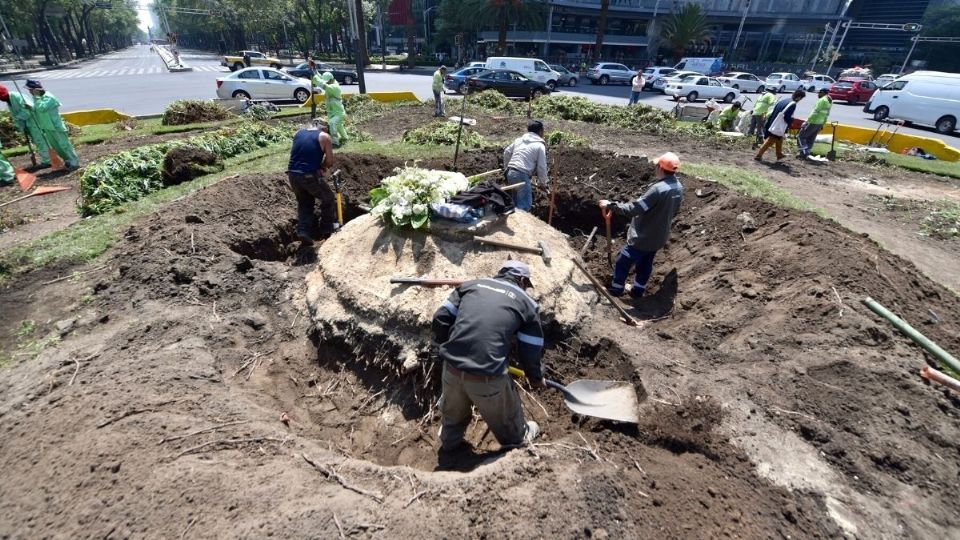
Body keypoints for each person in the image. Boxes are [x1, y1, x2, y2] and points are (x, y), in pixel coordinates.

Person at [432, 260, 544, 452]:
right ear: (523, 280)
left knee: (452, 416)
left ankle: (450, 443)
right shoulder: (527, 303)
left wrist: (442, 350)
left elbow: (440, 318)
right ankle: (518, 440)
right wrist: (535, 376)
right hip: (487, 377)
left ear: (500, 273)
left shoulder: (469, 286)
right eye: (526, 284)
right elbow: (530, 349)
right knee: (511, 430)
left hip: (451, 369)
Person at [599, 152, 684, 298]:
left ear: (660, 167)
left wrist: (611, 205)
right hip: (659, 237)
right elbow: (674, 212)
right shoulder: (678, 187)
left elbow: (634, 209)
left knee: (622, 262)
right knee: (646, 262)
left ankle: (616, 289)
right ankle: (638, 291)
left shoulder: (657, 190)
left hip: (643, 237)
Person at [286, 120, 336, 244]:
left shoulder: (298, 133)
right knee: (328, 198)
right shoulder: (324, 136)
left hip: (292, 174)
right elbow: (330, 161)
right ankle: (327, 229)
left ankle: (303, 231)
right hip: (309, 175)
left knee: (305, 202)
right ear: (325, 129)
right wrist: (322, 167)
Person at [27, 80, 79, 170]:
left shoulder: (49, 97)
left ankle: (74, 162)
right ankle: (68, 161)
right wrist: (31, 107)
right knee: (57, 147)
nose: (29, 92)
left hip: (55, 126)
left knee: (64, 145)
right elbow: (37, 110)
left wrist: (35, 98)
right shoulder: (39, 98)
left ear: (36, 90)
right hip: (47, 127)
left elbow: (42, 108)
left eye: (31, 90)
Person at [0, 83, 50, 170]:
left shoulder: (17, 96)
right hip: (28, 124)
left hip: (34, 122)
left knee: (41, 141)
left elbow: (28, 110)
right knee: (37, 142)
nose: (1, 100)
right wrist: (22, 127)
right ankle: (46, 159)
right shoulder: (9, 100)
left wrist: (18, 117)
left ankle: (47, 161)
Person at [503, 120, 549, 212]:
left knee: (515, 204)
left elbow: (507, 152)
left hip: (510, 173)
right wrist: (542, 184)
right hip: (522, 175)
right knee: (524, 206)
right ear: (541, 131)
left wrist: (506, 168)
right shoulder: (539, 145)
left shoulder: (519, 140)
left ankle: (515, 225)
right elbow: (541, 167)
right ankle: (520, 225)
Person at [755, 89, 806, 162]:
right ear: (799, 97)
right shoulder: (793, 104)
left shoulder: (784, 100)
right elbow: (786, 117)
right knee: (771, 140)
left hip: (773, 121)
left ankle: (779, 154)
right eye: (801, 98)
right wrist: (791, 122)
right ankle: (758, 155)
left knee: (779, 139)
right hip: (778, 125)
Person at [311, 72, 348, 147]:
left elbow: (324, 86)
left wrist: (316, 79)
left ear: (331, 79)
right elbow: (322, 79)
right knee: (339, 126)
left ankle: (335, 142)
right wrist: (315, 71)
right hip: (332, 112)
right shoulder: (330, 82)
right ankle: (345, 137)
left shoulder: (335, 87)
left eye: (327, 81)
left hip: (339, 113)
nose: (326, 82)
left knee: (332, 123)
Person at [796, 88, 832, 159]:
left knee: (800, 136)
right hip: (820, 123)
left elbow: (815, 112)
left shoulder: (821, 100)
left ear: (822, 93)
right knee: (811, 138)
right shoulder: (829, 101)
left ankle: (804, 153)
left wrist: (807, 121)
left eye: (819, 93)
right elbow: (827, 114)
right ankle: (807, 152)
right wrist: (823, 124)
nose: (818, 94)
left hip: (813, 121)